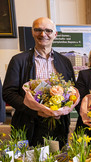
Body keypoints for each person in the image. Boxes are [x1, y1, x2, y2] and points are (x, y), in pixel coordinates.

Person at [2, 17, 75, 147]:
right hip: (27, 125)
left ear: (55, 34)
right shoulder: (18, 60)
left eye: (48, 30)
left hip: (58, 126)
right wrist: (35, 110)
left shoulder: (65, 62)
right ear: (32, 32)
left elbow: (71, 92)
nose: (43, 34)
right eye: (38, 30)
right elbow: (8, 93)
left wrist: (62, 110)